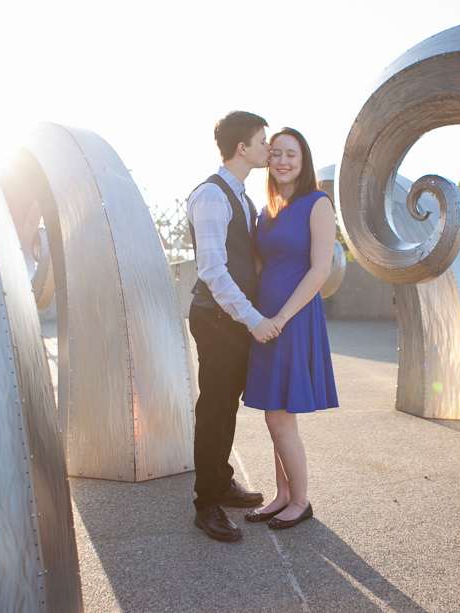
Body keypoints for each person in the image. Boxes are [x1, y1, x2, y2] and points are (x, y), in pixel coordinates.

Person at [187, 111, 282, 542]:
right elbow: (212, 270)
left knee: (227, 407)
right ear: (242, 148)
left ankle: (221, 481)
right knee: (213, 409)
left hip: (235, 321)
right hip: (215, 318)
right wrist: (254, 319)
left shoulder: (242, 198)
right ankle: (206, 503)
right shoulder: (211, 195)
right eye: (263, 141)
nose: (270, 148)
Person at [242, 127, 339, 530]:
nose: (282, 161)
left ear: (304, 160)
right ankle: (281, 495)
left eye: (291, 154)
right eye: (276, 153)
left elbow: (321, 269)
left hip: (291, 321)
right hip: (266, 321)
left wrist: (281, 317)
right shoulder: (269, 209)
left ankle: (300, 500)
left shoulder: (317, 203)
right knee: (273, 416)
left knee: (282, 420)